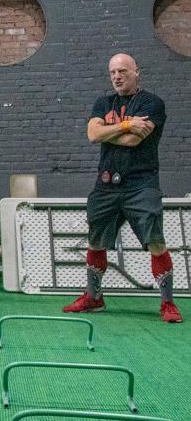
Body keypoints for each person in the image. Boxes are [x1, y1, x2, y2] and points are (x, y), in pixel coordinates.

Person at [63, 53, 182, 323]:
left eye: (123, 71)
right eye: (113, 72)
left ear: (136, 72)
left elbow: (132, 141)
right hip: (105, 185)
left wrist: (110, 129)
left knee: (156, 241)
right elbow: (93, 134)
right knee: (96, 240)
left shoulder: (152, 103)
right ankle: (94, 298)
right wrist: (128, 123)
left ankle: (168, 304)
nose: (117, 76)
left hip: (141, 184)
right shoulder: (103, 102)